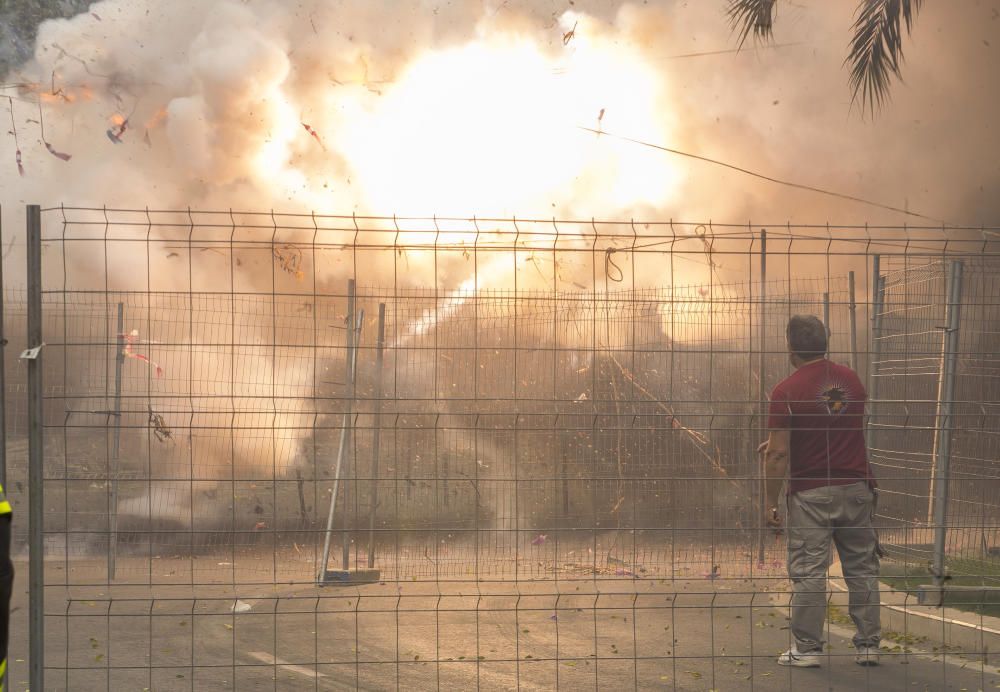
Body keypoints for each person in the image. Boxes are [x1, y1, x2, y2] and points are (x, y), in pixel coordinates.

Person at [760, 314, 881, 668]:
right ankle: (869, 646)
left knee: (810, 571)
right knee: (862, 569)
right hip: (857, 488)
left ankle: (807, 649)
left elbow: (779, 453)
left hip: (812, 493)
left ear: (790, 346)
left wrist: (769, 502)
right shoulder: (852, 380)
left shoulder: (786, 390)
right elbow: (834, 423)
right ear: (826, 341)